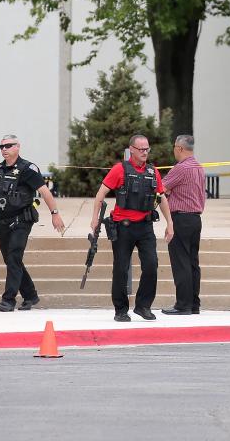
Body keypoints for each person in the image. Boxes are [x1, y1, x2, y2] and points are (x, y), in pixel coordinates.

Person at [90, 134, 174, 323]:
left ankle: (143, 306)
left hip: (145, 226)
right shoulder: (120, 170)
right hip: (123, 227)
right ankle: (120, 310)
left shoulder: (153, 172)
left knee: (152, 265)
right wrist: (94, 219)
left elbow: (161, 197)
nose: (145, 152)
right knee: (121, 268)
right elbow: (100, 194)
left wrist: (170, 222)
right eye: (141, 149)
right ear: (132, 150)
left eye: (147, 149)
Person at [0, 134, 64, 312]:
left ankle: (8, 300)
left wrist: (55, 214)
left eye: (8, 146)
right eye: (1, 147)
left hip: (21, 220)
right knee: (11, 260)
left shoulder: (27, 169)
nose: (4, 149)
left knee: (14, 258)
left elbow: (45, 192)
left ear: (18, 147)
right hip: (1, 221)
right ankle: (30, 295)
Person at [161, 134, 206, 316]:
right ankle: (194, 303)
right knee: (192, 262)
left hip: (181, 219)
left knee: (181, 263)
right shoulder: (198, 167)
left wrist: (169, 191)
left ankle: (183, 305)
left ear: (179, 148)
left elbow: (161, 188)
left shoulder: (181, 168)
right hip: (195, 219)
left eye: (174, 147)